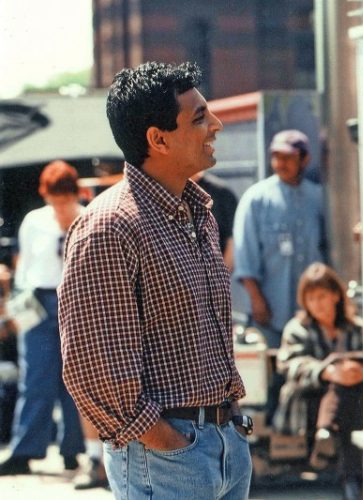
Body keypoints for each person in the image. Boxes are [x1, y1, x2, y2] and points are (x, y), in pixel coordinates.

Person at [58, 62, 252, 500]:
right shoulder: (109, 226)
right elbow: (92, 365)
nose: (216, 125)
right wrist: (167, 442)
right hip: (167, 459)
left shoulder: (198, 212)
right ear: (158, 139)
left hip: (224, 444)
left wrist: (229, 424)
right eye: (199, 117)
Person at [0, 160, 85, 475]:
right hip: (37, 299)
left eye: (65, 199)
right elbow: (23, 266)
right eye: (54, 200)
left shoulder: (88, 217)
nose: (59, 206)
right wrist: (15, 310)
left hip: (75, 302)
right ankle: (25, 450)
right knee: (35, 376)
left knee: (76, 379)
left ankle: (73, 448)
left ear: (75, 194)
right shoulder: (34, 221)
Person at [274, 262, 363, 500]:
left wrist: (359, 372)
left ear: (336, 295)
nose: (317, 304)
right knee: (341, 388)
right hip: (307, 400)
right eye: (311, 299)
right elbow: (290, 365)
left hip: (351, 399)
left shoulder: (355, 328)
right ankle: (350, 478)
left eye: (322, 296)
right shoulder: (297, 329)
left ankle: (328, 434)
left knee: (348, 392)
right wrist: (328, 372)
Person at [233, 129, 328, 349]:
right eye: (276, 157)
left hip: (314, 314)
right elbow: (245, 256)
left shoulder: (318, 198)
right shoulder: (256, 199)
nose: (280, 163)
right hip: (271, 312)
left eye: (288, 157)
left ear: (305, 159)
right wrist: (256, 300)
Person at [191, 170, 238, 269]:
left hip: (215, 271)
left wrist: (222, 275)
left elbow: (232, 242)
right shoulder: (166, 191)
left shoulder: (222, 193)